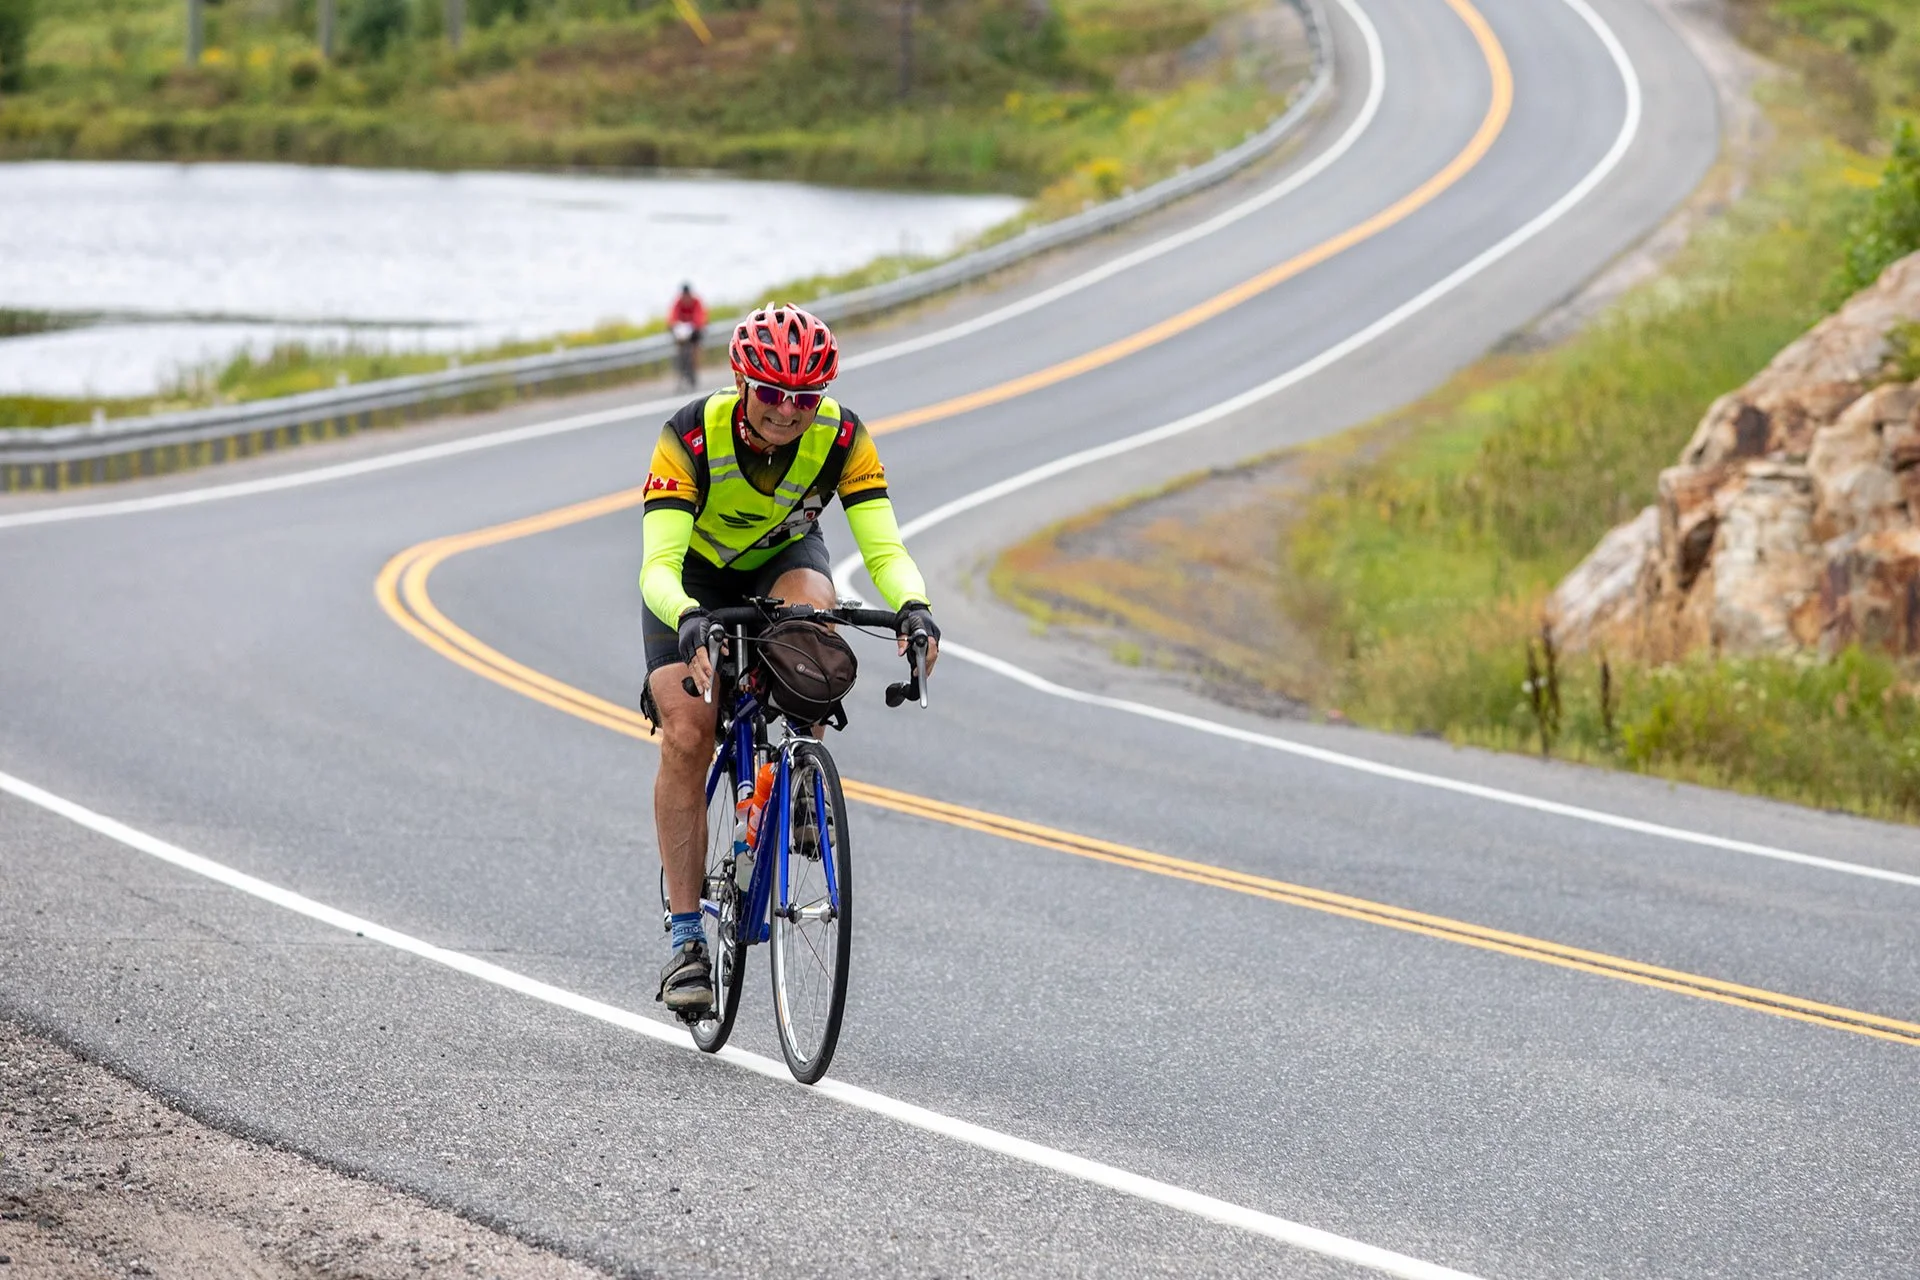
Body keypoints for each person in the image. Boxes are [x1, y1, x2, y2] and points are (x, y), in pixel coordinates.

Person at [639, 302, 941, 1014]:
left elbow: (883, 548)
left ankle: (800, 775)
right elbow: (658, 565)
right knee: (688, 731)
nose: (787, 411)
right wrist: (686, 619)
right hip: (694, 577)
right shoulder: (687, 435)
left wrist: (914, 607)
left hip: (783, 562)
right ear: (743, 383)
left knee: (816, 632)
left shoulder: (843, 437)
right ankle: (687, 941)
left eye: (804, 398)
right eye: (772, 394)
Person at [668, 283, 707, 390]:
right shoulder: (678, 303)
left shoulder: (696, 302)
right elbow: (672, 317)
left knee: (695, 351)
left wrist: (696, 327)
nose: (686, 298)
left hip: (694, 332)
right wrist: (674, 327)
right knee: (680, 352)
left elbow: (700, 317)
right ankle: (681, 374)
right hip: (681, 334)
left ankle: (694, 372)